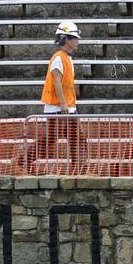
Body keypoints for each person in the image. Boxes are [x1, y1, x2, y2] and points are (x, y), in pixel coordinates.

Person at [20, 21, 86, 174]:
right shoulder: (59, 58)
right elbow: (56, 81)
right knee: (51, 140)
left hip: (66, 108)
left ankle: (78, 170)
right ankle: (24, 160)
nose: (78, 41)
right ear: (66, 39)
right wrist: (63, 104)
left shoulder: (66, 58)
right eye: (75, 38)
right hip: (59, 108)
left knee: (78, 139)